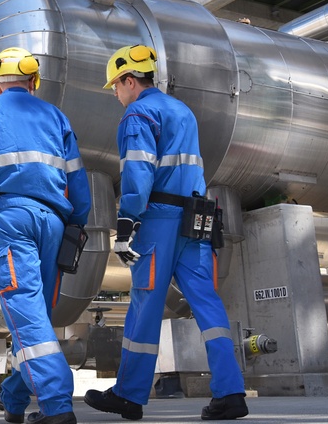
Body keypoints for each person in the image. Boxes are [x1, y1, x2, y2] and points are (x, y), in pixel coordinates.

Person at [83, 45, 248, 421]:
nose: (114, 93)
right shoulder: (182, 111)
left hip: (159, 219)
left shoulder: (137, 114)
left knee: (146, 303)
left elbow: (139, 173)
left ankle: (129, 394)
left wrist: (126, 222)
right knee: (207, 303)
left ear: (130, 80)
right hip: (196, 218)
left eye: (116, 85)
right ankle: (231, 393)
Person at [0, 47, 91, 424]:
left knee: (25, 311)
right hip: (55, 222)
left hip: (13, 219)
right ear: (33, 81)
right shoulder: (56, 116)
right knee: (35, 314)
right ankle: (14, 398)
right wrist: (77, 221)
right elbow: (77, 178)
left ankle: (57, 403)